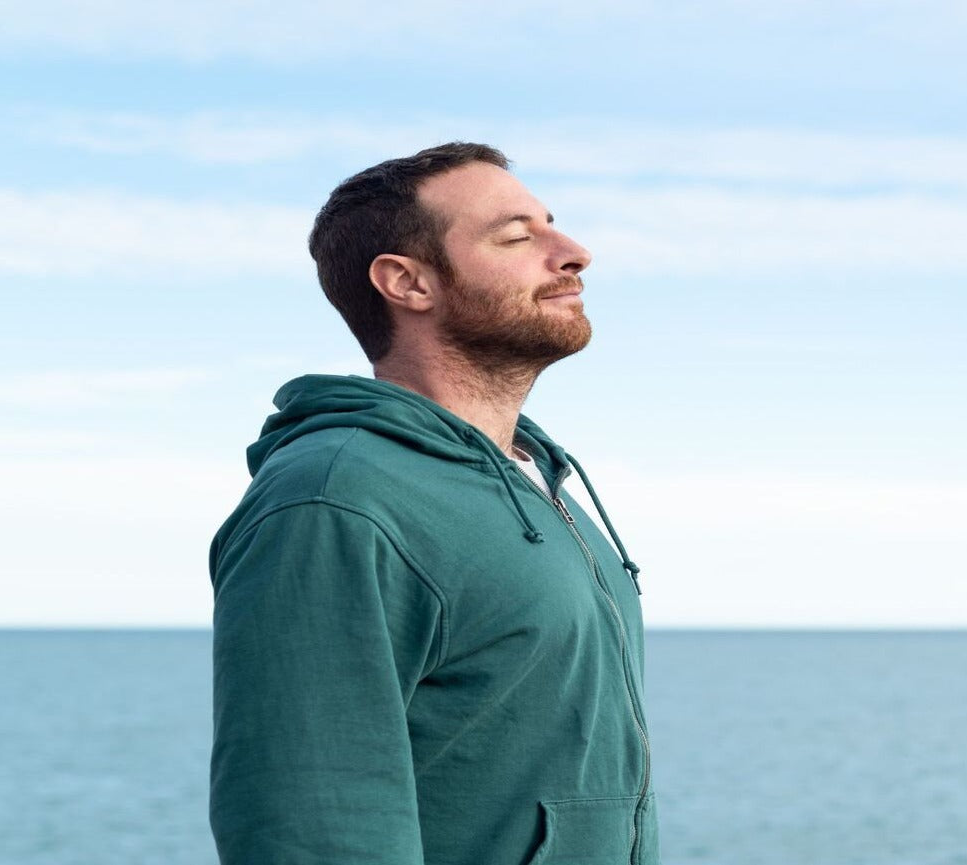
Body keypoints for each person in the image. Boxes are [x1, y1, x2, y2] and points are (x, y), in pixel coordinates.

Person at [208, 142, 657, 865]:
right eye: (517, 236)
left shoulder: (538, 482)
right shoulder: (334, 500)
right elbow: (315, 828)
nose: (574, 252)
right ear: (408, 282)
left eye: (553, 225)